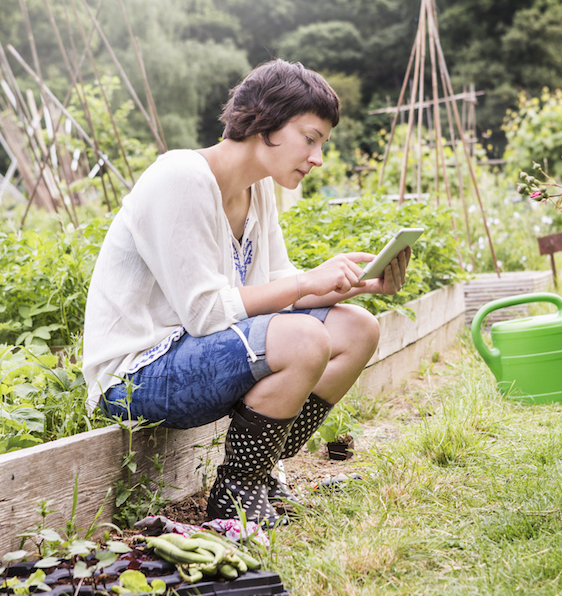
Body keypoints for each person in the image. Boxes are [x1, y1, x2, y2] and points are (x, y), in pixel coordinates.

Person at [82, 60, 411, 526]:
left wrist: (354, 285)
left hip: (203, 354)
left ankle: (259, 471)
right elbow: (203, 313)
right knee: (305, 340)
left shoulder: (259, 191)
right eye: (311, 138)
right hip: (136, 375)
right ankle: (237, 491)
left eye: (322, 144)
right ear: (265, 122)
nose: (317, 157)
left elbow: (276, 288)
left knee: (358, 327)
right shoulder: (181, 176)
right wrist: (304, 281)